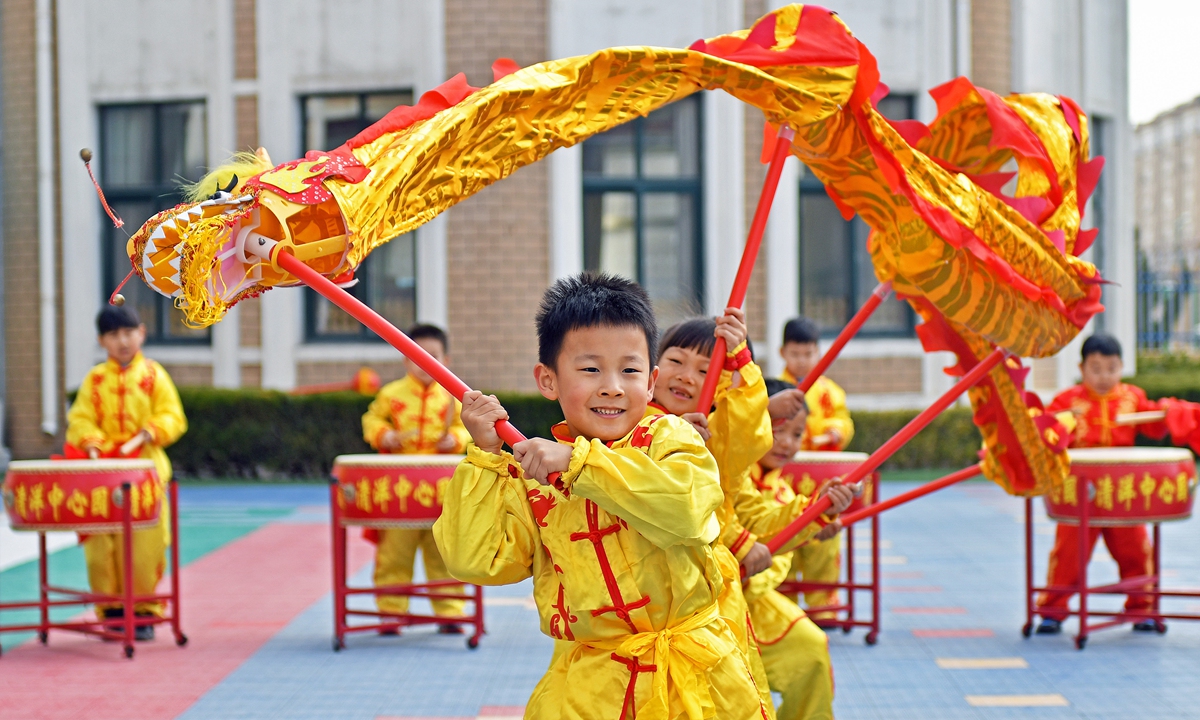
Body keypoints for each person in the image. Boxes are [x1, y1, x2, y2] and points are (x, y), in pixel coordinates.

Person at [434, 272, 770, 719]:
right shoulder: (533, 474)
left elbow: (687, 511)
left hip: (695, 684)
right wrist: (484, 457)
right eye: (591, 369)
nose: (612, 386)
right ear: (548, 380)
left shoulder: (671, 437)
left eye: (629, 370)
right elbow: (476, 560)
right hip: (589, 690)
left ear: (650, 383)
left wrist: (579, 463)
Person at [651, 314, 851, 719]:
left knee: (795, 662)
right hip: (651, 616)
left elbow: (746, 511)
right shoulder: (634, 432)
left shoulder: (721, 450)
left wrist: (815, 511)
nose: (688, 376)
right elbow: (673, 509)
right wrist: (740, 545)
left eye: (705, 370)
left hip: (718, 604)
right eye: (676, 361)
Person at [65, 305, 187, 641]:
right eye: (114, 335)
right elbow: (81, 419)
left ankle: (144, 611)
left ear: (142, 333)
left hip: (144, 472)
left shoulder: (153, 374)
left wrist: (152, 430)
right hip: (103, 473)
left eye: (128, 333)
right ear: (101, 340)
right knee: (102, 546)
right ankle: (112, 609)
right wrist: (91, 442)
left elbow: (173, 415)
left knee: (145, 544)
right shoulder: (95, 380)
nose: (123, 341)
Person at [1036, 333, 1168, 635]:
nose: (1104, 376)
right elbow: (1048, 433)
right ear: (1082, 369)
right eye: (1096, 369)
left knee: (1135, 549)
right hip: (1080, 492)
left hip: (1122, 493)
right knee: (1068, 552)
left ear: (1122, 366)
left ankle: (1142, 609)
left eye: (1111, 368)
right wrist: (1057, 425)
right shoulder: (1067, 401)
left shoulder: (1132, 398)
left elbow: (1155, 424)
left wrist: (1170, 415)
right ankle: (1052, 611)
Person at [361, 323, 471, 634]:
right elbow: (371, 419)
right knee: (394, 553)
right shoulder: (390, 394)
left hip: (441, 491)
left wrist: (456, 438)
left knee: (445, 553)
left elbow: (469, 430)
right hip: (399, 490)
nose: (424, 364)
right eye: (417, 356)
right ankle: (392, 613)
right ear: (405, 359)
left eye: (432, 356)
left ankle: (451, 613)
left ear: (445, 360)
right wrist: (387, 435)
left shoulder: (454, 396)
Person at [746, 399, 837, 720]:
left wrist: (812, 523)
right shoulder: (722, 469)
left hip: (750, 602)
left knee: (811, 648)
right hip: (697, 603)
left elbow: (776, 561)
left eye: (797, 434)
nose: (786, 442)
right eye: (777, 429)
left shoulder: (783, 495)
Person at [778, 318, 855, 619]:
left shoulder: (830, 392)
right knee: (783, 538)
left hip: (819, 475)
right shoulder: (776, 388)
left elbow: (843, 420)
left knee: (825, 534)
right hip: (785, 475)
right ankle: (782, 604)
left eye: (808, 354)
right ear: (784, 352)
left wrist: (836, 431)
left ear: (817, 353)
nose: (802, 360)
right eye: (796, 354)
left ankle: (824, 606)